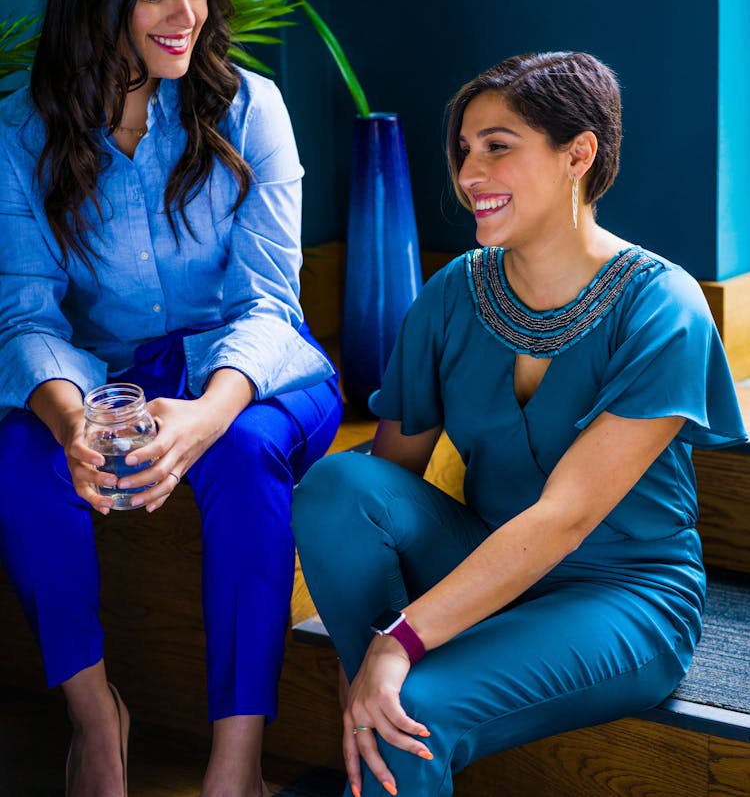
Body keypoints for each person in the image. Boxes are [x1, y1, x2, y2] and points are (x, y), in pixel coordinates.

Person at [292, 51, 748, 797]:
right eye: (464, 149)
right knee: (339, 483)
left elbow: (565, 519)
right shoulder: (450, 296)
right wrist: (388, 639)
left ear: (579, 153)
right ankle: (378, 715)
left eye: (498, 146)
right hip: (485, 565)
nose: (470, 172)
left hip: (622, 597)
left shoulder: (662, 306)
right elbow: (383, 488)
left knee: (415, 708)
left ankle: (389, 721)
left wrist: (400, 639)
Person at [0, 0, 343, 797]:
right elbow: (26, 313)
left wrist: (200, 417)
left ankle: (235, 766)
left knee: (237, 452)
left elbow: (272, 305)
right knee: (20, 459)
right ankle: (94, 723)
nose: (183, 15)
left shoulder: (251, 108)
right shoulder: (18, 131)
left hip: (256, 375)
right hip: (104, 378)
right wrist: (74, 422)